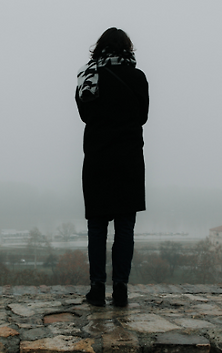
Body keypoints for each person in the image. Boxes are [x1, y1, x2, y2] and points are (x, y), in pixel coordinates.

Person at [75, 27, 149, 307]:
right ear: (127, 49)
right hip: (129, 161)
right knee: (125, 227)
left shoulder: (89, 77)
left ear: (99, 48)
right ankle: (120, 289)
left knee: (97, 227)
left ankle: (97, 289)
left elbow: (85, 115)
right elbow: (143, 116)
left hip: (98, 159)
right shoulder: (138, 77)